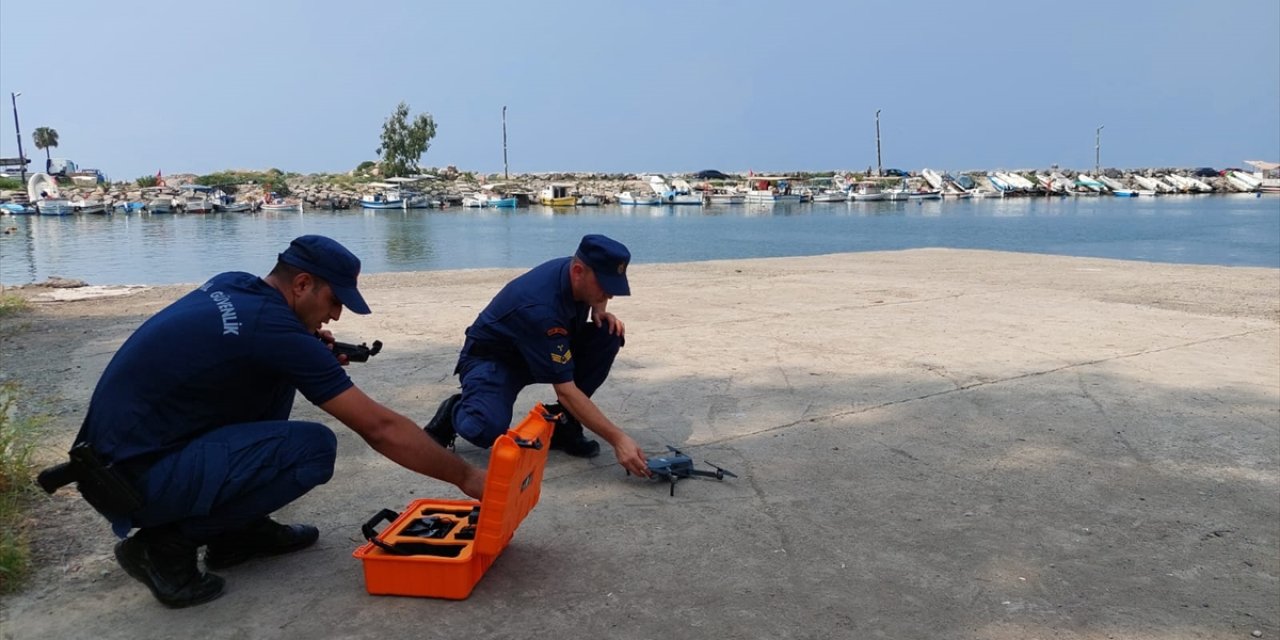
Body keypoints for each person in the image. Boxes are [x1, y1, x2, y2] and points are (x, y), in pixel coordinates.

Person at [69, 235, 486, 609]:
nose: (337, 316)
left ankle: (235, 533)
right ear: (302, 284)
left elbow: (242, 344)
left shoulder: (234, 284)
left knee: (280, 373)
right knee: (313, 449)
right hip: (133, 481)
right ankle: (163, 547)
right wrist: (465, 476)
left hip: (114, 462)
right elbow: (380, 429)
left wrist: (302, 349)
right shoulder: (272, 330)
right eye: (334, 300)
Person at [424, 234, 650, 479]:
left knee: (608, 333)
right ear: (577, 271)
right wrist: (618, 439)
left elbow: (594, 294)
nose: (610, 295)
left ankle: (564, 424)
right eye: (605, 287)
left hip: (538, 348)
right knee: (484, 428)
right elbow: (566, 389)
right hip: (494, 360)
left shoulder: (579, 270)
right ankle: (454, 411)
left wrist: (598, 309)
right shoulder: (541, 309)